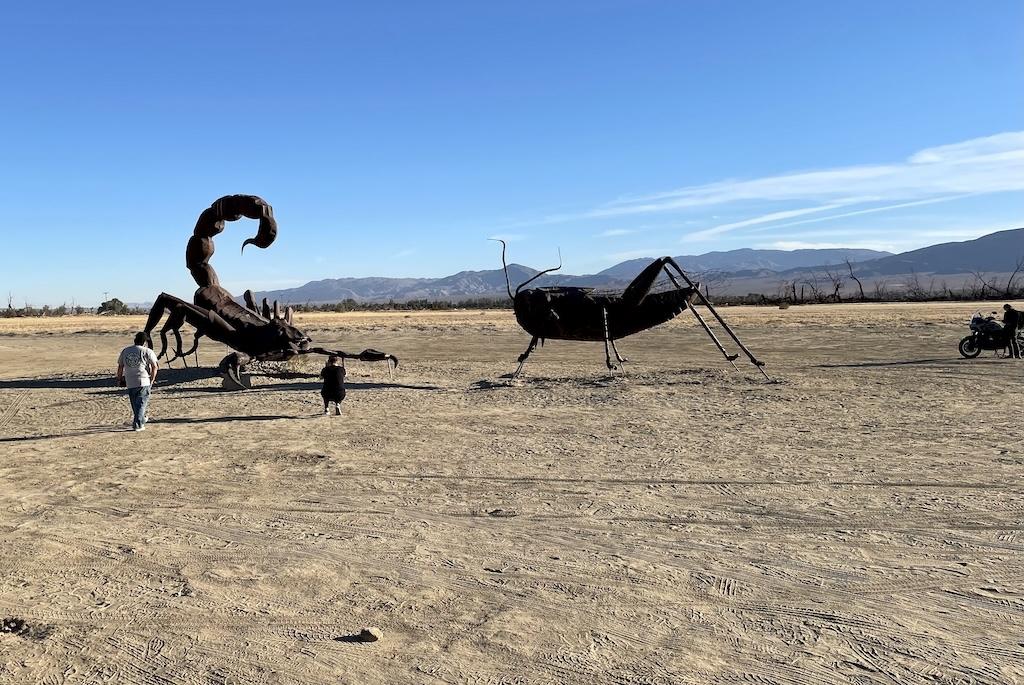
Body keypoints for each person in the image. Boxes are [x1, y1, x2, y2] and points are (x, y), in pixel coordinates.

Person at [116, 332, 159, 431]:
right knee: (141, 403)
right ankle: (138, 424)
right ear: (144, 342)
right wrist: (152, 379)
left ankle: (141, 419)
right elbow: (154, 366)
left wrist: (119, 378)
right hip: (143, 380)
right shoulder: (147, 351)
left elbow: (120, 366)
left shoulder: (126, 351)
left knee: (135, 404)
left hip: (130, 380)